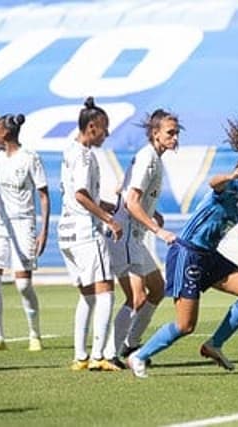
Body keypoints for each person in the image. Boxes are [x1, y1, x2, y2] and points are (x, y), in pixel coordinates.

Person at [127, 110, 238, 378]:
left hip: (209, 257)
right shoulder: (228, 188)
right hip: (187, 253)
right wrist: (231, 176)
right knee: (185, 325)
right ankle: (138, 356)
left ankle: (214, 345)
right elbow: (212, 182)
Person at [104, 109, 179, 368]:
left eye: (176, 132)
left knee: (158, 288)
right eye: (170, 132)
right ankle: (109, 355)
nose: (175, 137)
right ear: (155, 133)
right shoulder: (148, 158)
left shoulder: (154, 159)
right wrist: (159, 230)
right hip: (124, 234)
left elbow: (125, 192)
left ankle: (131, 344)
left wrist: (153, 212)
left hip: (135, 235)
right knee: (135, 298)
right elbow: (131, 201)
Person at [0, 113, 50, 352]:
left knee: (23, 285)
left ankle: (34, 334)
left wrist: (43, 230)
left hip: (23, 223)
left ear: (5, 132)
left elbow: (44, 195)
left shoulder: (30, 158)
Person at [58, 97, 123, 371]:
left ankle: (81, 356)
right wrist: (109, 219)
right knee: (106, 290)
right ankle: (99, 356)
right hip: (86, 232)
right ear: (92, 126)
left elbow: (84, 196)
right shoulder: (84, 155)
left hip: (67, 232)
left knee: (86, 295)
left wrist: (111, 205)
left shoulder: (69, 149)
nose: (107, 134)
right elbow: (82, 195)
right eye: (105, 128)